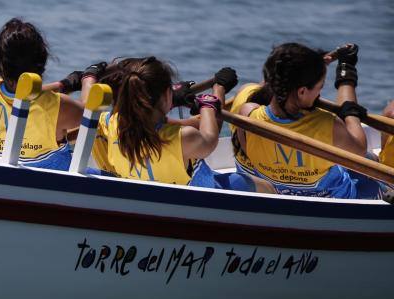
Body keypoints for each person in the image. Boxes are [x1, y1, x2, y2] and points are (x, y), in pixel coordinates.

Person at [234, 43, 371, 198]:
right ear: (302, 91)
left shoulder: (247, 114)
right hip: (326, 198)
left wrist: (314, 67)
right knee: (371, 160)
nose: (319, 93)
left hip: (274, 189)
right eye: (320, 87)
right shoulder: (327, 123)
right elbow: (360, 150)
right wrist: (350, 114)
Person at [93, 57, 240, 188]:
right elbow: (210, 139)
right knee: (254, 184)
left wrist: (171, 98)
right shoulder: (184, 137)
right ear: (166, 95)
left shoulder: (112, 122)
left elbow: (155, 119)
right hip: (189, 203)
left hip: (143, 196)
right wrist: (210, 102)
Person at [0, 19, 83, 169]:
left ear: (0, 63)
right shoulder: (59, 106)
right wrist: (90, 78)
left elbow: (18, 95)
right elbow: (91, 113)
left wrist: (61, 85)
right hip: (53, 186)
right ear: (41, 62)